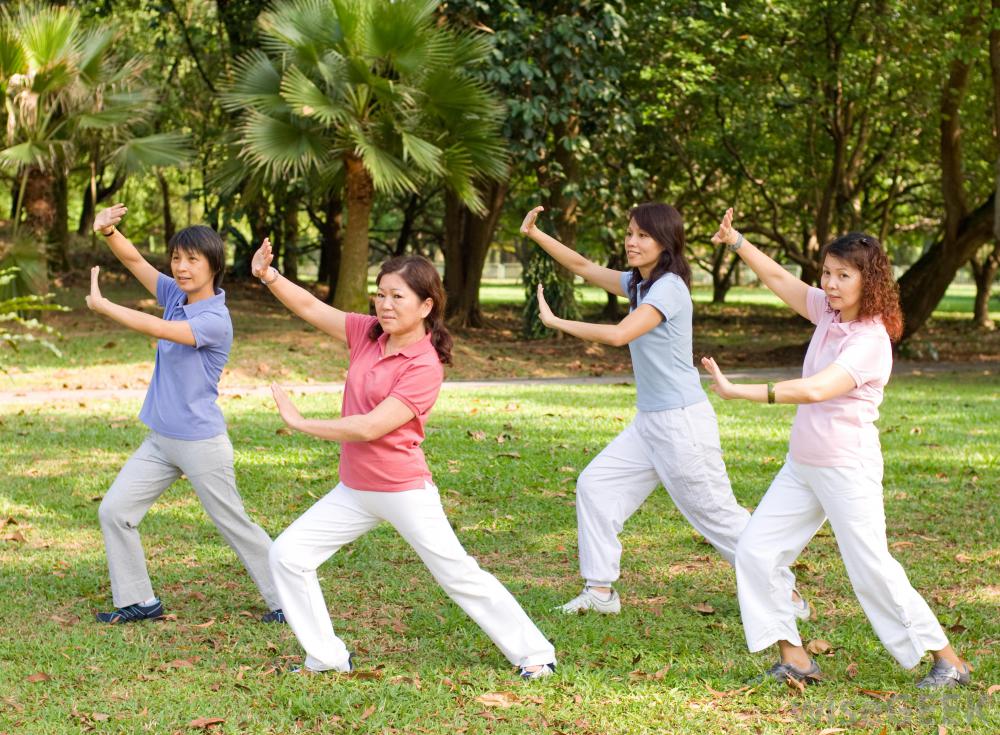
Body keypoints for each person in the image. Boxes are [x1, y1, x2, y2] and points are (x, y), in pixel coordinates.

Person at [251, 242, 556, 678]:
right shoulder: (367, 333)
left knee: (458, 575)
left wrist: (302, 422)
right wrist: (269, 276)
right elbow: (311, 307)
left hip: (401, 489)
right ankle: (327, 657)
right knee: (288, 555)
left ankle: (534, 654)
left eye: (398, 296)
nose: (385, 304)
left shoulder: (425, 365)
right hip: (355, 489)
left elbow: (371, 427)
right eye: (380, 293)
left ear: (426, 305)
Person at [700, 208, 971, 689]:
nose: (830, 283)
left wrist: (737, 390)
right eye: (827, 272)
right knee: (756, 553)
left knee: (872, 570)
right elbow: (781, 279)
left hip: (847, 468)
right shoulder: (828, 313)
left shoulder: (870, 340)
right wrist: (738, 241)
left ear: (869, 282)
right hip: (802, 465)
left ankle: (948, 660)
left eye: (843, 275)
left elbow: (816, 390)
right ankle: (796, 658)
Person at [521, 204, 805, 617]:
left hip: (681, 425)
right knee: (596, 486)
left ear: (665, 243)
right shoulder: (639, 284)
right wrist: (535, 234)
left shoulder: (668, 288)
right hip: (650, 422)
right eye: (630, 233)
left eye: (643, 236)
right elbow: (582, 265)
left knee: (718, 517)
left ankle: (786, 595)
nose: (632, 242)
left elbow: (621, 334)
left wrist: (557, 321)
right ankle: (600, 591)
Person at [87, 204, 284, 625]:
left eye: (193, 259)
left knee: (234, 524)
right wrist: (108, 232)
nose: (181, 267)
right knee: (115, 511)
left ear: (213, 266)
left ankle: (288, 599)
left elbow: (156, 329)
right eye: (177, 257)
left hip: (200, 442)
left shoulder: (215, 319)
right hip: (161, 439)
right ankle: (139, 600)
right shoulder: (175, 296)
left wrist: (107, 308)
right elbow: (135, 260)